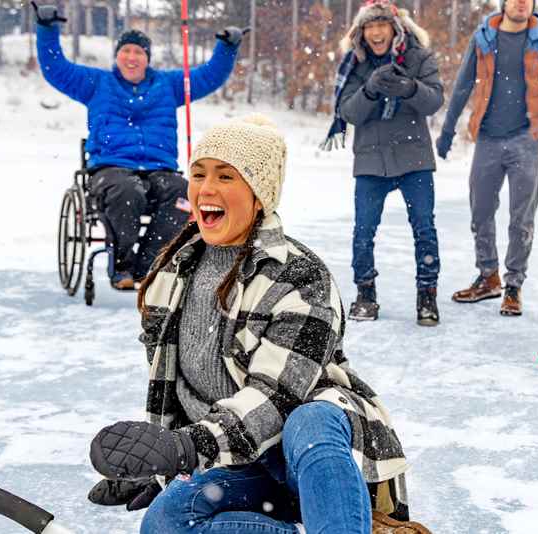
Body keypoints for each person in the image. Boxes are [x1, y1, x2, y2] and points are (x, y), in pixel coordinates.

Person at [86, 115, 433, 534]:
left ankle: (343, 518)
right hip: (240, 460)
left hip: (313, 458)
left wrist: (184, 448)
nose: (206, 189)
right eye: (198, 174)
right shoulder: (169, 276)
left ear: (259, 195)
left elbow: (278, 400)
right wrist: (156, 465)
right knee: (166, 520)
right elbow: (174, 395)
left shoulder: (299, 276)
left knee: (311, 420)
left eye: (226, 176)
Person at [32, 2, 244, 289]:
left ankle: (148, 267)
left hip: (160, 169)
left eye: (138, 52)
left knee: (184, 195)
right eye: (126, 51)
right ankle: (122, 267)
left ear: (147, 58)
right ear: (117, 56)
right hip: (111, 169)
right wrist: (47, 29)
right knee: (128, 191)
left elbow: (209, 76)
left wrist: (227, 49)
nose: (132, 57)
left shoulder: (168, 85)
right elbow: (56, 69)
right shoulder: (96, 82)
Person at [436, 0, 538, 316]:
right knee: (480, 209)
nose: (521, 2)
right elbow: (463, 84)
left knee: (521, 217)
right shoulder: (484, 37)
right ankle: (488, 276)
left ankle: (513, 285)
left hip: (527, 137)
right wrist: (447, 128)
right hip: (488, 138)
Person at [321, 0, 444, 324]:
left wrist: (409, 87)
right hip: (371, 160)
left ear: (394, 28)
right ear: (362, 32)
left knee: (424, 228)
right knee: (363, 231)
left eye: (381, 25)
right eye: (369, 26)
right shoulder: (354, 63)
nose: (376, 32)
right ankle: (365, 294)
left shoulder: (418, 57)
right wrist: (370, 90)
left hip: (413, 156)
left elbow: (434, 100)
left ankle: (427, 297)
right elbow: (347, 112)